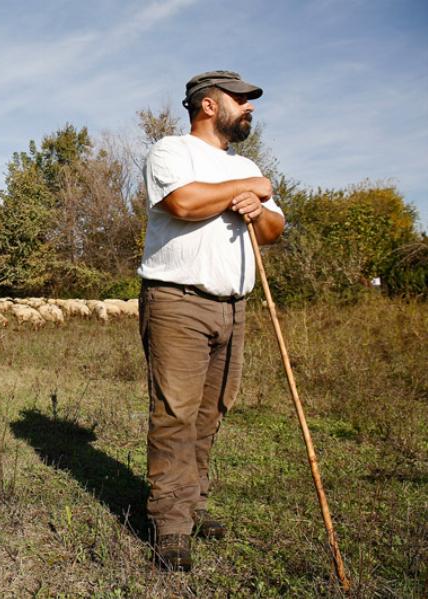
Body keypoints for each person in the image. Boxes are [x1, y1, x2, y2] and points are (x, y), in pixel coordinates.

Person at [137, 70, 286, 571]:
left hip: (234, 305)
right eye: (241, 99)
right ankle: (171, 525)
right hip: (178, 301)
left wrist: (255, 203)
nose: (250, 108)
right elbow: (182, 203)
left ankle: (193, 504)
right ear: (208, 105)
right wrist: (246, 187)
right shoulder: (171, 152)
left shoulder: (245, 163)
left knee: (211, 412)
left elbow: (272, 229)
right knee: (176, 413)